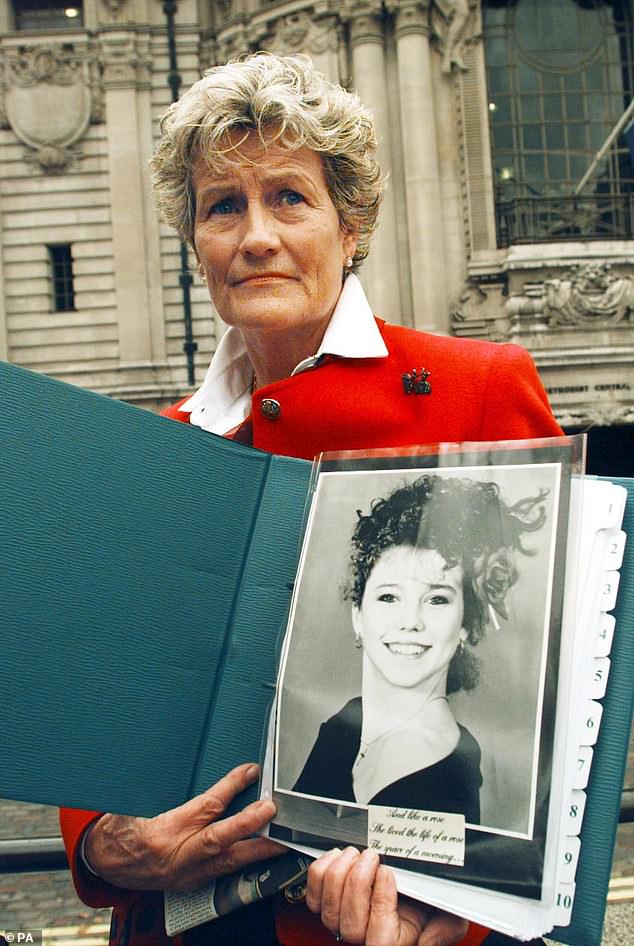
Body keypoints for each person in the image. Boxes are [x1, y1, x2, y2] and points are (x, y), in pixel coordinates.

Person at [59, 52, 562, 946]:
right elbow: (104, 701)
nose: (256, 236)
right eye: (224, 206)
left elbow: (545, 707)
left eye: (289, 197)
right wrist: (103, 844)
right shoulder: (159, 447)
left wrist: (454, 923)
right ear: (196, 242)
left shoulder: (477, 388)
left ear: (350, 222)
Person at [293, 474, 548, 824]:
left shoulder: (452, 775)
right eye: (389, 596)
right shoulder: (342, 727)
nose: (410, 620)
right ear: (358, 617)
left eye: (437, 599)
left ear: (464, 626)